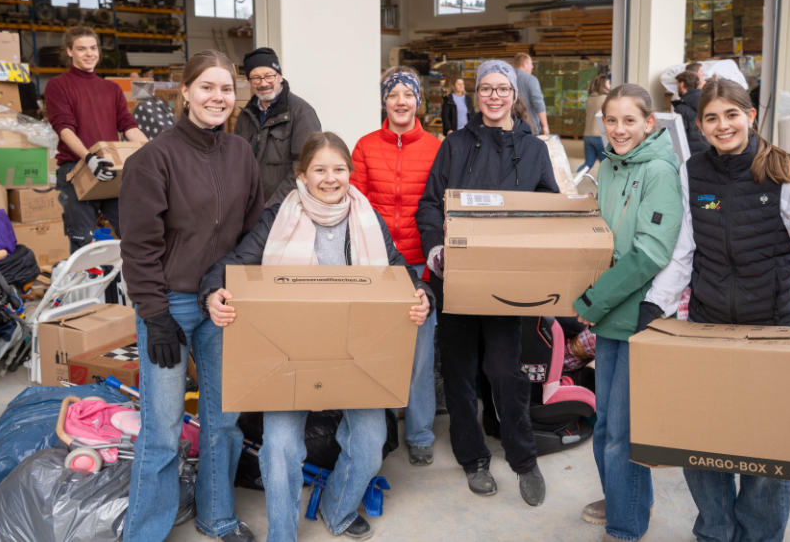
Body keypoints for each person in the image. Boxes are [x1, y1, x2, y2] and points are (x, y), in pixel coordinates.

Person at [641, 77, 790, 542]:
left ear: (750, 116)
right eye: (711, 117)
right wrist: (654, 305)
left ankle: (759, 536)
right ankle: (715, 531)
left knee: (767, 451)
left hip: (772, 330)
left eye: (731, 114)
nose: (722, 125)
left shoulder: (783, 171)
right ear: (701, 126)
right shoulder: (694, 173)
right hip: (708, 328)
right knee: (701, 442)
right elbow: (683, 253)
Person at [201, 132, 433, 542]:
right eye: (320, 170)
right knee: (280, 446)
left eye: (339, 169)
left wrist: (421, 295)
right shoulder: (279, 219)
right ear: (302, 175)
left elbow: (399, 271)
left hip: (355, 353)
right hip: (289, 353)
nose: (330, 178)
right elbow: (234, 265)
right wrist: (212, 292)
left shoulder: (366, 217)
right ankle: (283, 534)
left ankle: (338, 509)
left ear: (350, 172)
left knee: (370, 441)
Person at [120, 50, 264, 542]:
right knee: (161, 432)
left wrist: (232, 286)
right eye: (207, 87)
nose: (217, 97)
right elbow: (138, 249)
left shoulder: (241, 154)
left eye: (226, 89)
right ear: (184, 92)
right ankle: (146, 532)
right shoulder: (152, 159)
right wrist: (156, 315)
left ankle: (217, 516)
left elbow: (251, 233)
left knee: (223, 422)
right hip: (172, 306)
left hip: (223, 304)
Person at [416, 59, 558, 506]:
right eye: (486, 89)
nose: (494, 96)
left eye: (502, 89)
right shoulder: (454, 145)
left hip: (505, 285)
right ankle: (473, 458)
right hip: (456, 279)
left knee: (505, 372)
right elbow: (429, 205)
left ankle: (523, 458)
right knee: (458, 374)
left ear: (515, 95)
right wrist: (435, 249)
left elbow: (549, 209)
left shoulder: (533, 149)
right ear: (476, 95)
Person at [573, 83, 684, 542]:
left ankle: (625, 525)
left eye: (629, 121)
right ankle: (628, 498)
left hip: (638, 316)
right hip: (610, 318)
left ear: (649, 123)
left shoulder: (659, 171)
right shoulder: (609, 164)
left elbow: (649, 253)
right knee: (606, 428)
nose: (618, 129)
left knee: (621, 432)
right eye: (611, 120)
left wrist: (592, 301)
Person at [351, 66, 442, 466]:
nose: (401, 101)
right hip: (378, 266)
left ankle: (420, 433)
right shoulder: (366, 146)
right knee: (379, 353)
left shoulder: (437, 148)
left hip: (421, 265)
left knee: (420, 357)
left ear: (418, 101)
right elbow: (357, 204)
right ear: (384, 102)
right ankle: (383, 429)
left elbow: (439, 205)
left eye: (408, 94)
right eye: (393, 95)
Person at [45, 25, 148, 252]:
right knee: (83, 240)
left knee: (132, 234)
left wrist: (152, 150)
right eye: (82, 49)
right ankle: (86, 286)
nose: (89, 53)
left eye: (93, 48)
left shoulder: (111, 89)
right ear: (70, 51)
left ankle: (121, 286)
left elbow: (128, 126)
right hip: (77, 168)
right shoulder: (58, 86)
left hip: (111, 169)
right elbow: (64, 129)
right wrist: (89, 158)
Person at [233, 46, 323, 205]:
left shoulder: (302, 113)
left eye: (269, 76)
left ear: (280, 76)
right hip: (250, 207)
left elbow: (304, 167)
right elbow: (236, 162)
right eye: (256, 78)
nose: (263, 83)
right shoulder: (246, 116)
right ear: (249, 82)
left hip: (287, 209)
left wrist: (271, 209)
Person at [512, 52, 550, 135]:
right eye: (531, 64)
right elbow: (538, 103)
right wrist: (545, 126)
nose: (532, 67)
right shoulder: (530, 79)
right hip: (528, 127)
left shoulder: (506, 79)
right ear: (525, 64)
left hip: (509, 127)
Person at [579, 74, 610, 172]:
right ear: (603, 84)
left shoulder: (590, 98)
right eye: (609, 83)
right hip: (600, 135)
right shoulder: (606, 98)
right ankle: (605, 185)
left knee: (588, 163)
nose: (610, 85)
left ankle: (573, 181)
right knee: (606, 164)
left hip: (588, 135)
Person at [672, 70, 709, 155]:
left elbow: (677, 137)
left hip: (690, 154)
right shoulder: (708, 101)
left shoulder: (681, 108)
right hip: (709, 151)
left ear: (682, 84)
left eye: (677, 84)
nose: (676, 87)